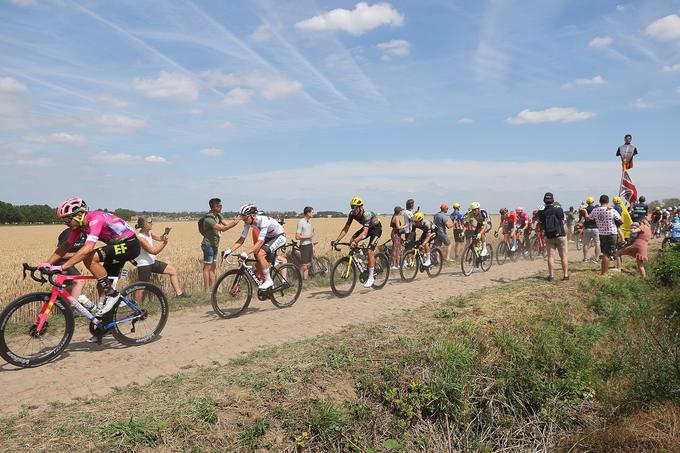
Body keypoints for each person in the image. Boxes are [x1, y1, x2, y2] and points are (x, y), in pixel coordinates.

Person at [37, 197, 140, 316]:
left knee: (89, 257)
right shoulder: (80, 227)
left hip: (130, 245)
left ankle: (112, 295)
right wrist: (48, 264)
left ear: (80, 214)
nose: (66, 223)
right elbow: (65, 247)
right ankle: (105, 316)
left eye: (68, 219)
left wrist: (62, 267)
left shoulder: (96, 219)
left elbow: (87, 249)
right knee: (101, 284)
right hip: (117, 247)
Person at [223, 204, 287, 289]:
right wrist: (229, 251)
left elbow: (260, 242)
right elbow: (241, 239)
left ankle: (269, 281)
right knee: (259, 256)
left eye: (246, 218)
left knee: (260, 254)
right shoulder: (248, 223)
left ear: (253, 216)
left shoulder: (263, 221)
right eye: (243, 218)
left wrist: (246, 253)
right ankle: (268, 282)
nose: (244, 220)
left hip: (279, 236)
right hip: (269, 237)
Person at [332, 197, 382, 288]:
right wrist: (337, 240)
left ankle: (371, 278)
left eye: (355, 207)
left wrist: (356, 241)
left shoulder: (366, 214)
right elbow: (346, 228)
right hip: (367, 228)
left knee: (370, 251)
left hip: (376, 230)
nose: (353, 210)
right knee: (352, 241)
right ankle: (364, 257)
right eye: (352, 207)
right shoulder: (352, 214)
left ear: (360, 207)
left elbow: (365, 232)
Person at [135, 216, 190, 298]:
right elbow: (154, 252)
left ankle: (179, 294)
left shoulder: (149, 233)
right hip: (144, 265)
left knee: (172, 270)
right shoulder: (140, 238)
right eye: (150, 222)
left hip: (151, 262)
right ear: (144, 225)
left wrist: (166, 232)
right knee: (142, 286)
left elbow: (161, 238)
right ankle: (136, 305)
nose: (151, 223)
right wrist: (164, 243)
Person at [200, 198, 240, 291]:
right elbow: (222, 228)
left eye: (221, 205)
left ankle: (214, 289)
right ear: (213, 207)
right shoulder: (209, 219)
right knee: (207, 268)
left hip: (214, 245)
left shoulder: (218, 215)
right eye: (219, 205)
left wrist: (234, 221)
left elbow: (226, 224)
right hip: (208, 245)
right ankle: (206, 290)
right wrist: (235, 223)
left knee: (213, 267)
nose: (221, 207)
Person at [585, 194, 622, 276]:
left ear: (599, 201)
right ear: (608, 201)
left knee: (605, 253)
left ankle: (603, 272)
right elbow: (621, 221)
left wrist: (584, 212)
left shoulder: (595, 210)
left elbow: (588, 218)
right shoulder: (612, 210)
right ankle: (604, 273)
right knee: (607, 254)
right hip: (611, 233)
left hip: (601, 233)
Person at [538, 192, 569, 281]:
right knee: (563, 256)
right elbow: (562, 220)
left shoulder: (542, 212)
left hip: (549, 236)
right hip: (560, 235)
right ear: (553, 200)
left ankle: (551, 276)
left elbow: (541, 223)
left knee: (550, 257)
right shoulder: (558, 210)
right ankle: (565, 275)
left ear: (544, 200)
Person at [55, 227, 87, 300]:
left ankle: (65, 307)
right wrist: (78, 254)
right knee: (79, 281)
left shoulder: (84, 234)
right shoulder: (68, 234)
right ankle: (74, 308)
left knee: (68, 287)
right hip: (60, 262)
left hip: (70, 263)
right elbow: (60, 254)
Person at [579, 196, 601, 262]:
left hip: (587, 228)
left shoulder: (584, 210)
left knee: (585, 244)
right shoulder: (596, 209)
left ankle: (585, 258)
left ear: (587, 202)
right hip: (595, 228)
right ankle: (597, 258)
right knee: (597, 244)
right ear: (593, 202)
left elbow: (582, 219)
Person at [295, 207, 315, 280]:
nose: (313, 213)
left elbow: (311, 236)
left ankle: (305, 281)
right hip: (304, 246)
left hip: (309, 245)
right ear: (308, 213)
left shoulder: (309, 222)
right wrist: (308, 237)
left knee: (308, 265)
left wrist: (313, 245)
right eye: (312, 212)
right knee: (304, 265)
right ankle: (300, 281)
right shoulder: (301, 222)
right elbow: (297, 237)